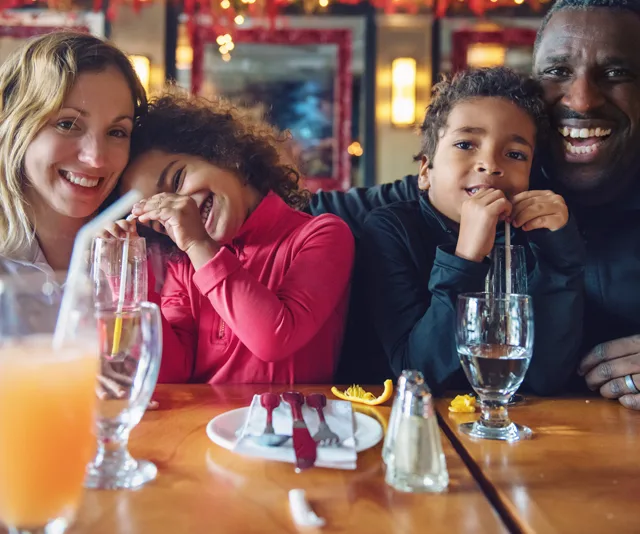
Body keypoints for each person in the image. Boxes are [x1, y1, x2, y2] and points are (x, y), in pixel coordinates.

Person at [310, 0, 640, 409]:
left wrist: (560, 260)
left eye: (616, 73)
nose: (583, 98)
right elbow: (299, 211)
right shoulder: (491, 199)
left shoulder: (523, 214)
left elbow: (543, 374)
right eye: (558, 71)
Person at [359, 67, 584, 394]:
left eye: (515, 154)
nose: (491, 164)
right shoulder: (390, 229)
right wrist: (465, 257)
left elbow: (545, 379)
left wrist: (560, 260)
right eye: (466, 144)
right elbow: (418, 375)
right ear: (425, 171)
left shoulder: (530, 235)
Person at [114, 92, 354, 384]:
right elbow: (171, 374)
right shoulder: (184, 268)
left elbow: (274, 339)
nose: (176, 208)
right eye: (156, 214)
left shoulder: (322, 235)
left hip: (296, 422)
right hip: (201, 427)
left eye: (177, 180)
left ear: (222, 154)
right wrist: (133, 285)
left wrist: (199, 245)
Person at [0, 31, 147, 276]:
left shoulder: (148, 256)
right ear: (15, 126)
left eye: (117, 132)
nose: (96, 157)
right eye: (67, 124)